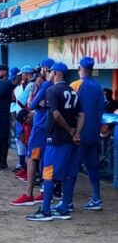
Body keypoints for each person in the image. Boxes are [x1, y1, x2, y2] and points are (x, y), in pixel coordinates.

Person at [27, 62, 84, 222]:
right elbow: (81, 115)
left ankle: (45, 210)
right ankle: (64, 206)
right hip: (70, 140)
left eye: (52, 72)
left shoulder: (52, 90)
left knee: (48, 173)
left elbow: (57, 116)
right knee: (67, 174)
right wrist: (76, 132)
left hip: (57, 138)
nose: (50, 74)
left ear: (57, 73)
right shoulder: (72, 91)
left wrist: (70, 130)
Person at [10, 58, 55, 206]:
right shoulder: (56, 86)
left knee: (32, 159)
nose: (39, 73)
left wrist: (38, 99)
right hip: (47, 126)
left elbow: (32, 104)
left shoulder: (47, 84)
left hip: (40, 125)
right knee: (44, 160)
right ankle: (44, 191)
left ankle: (29, 194)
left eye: (41, 69)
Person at [68, 56, 105, 211]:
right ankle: (97, 199)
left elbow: (69, 110)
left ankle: (67, 202)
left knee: (72, 168)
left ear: (80, 68)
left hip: (79, 133)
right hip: (94, 134)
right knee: (93, 168)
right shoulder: (98, 87)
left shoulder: (76, 84)